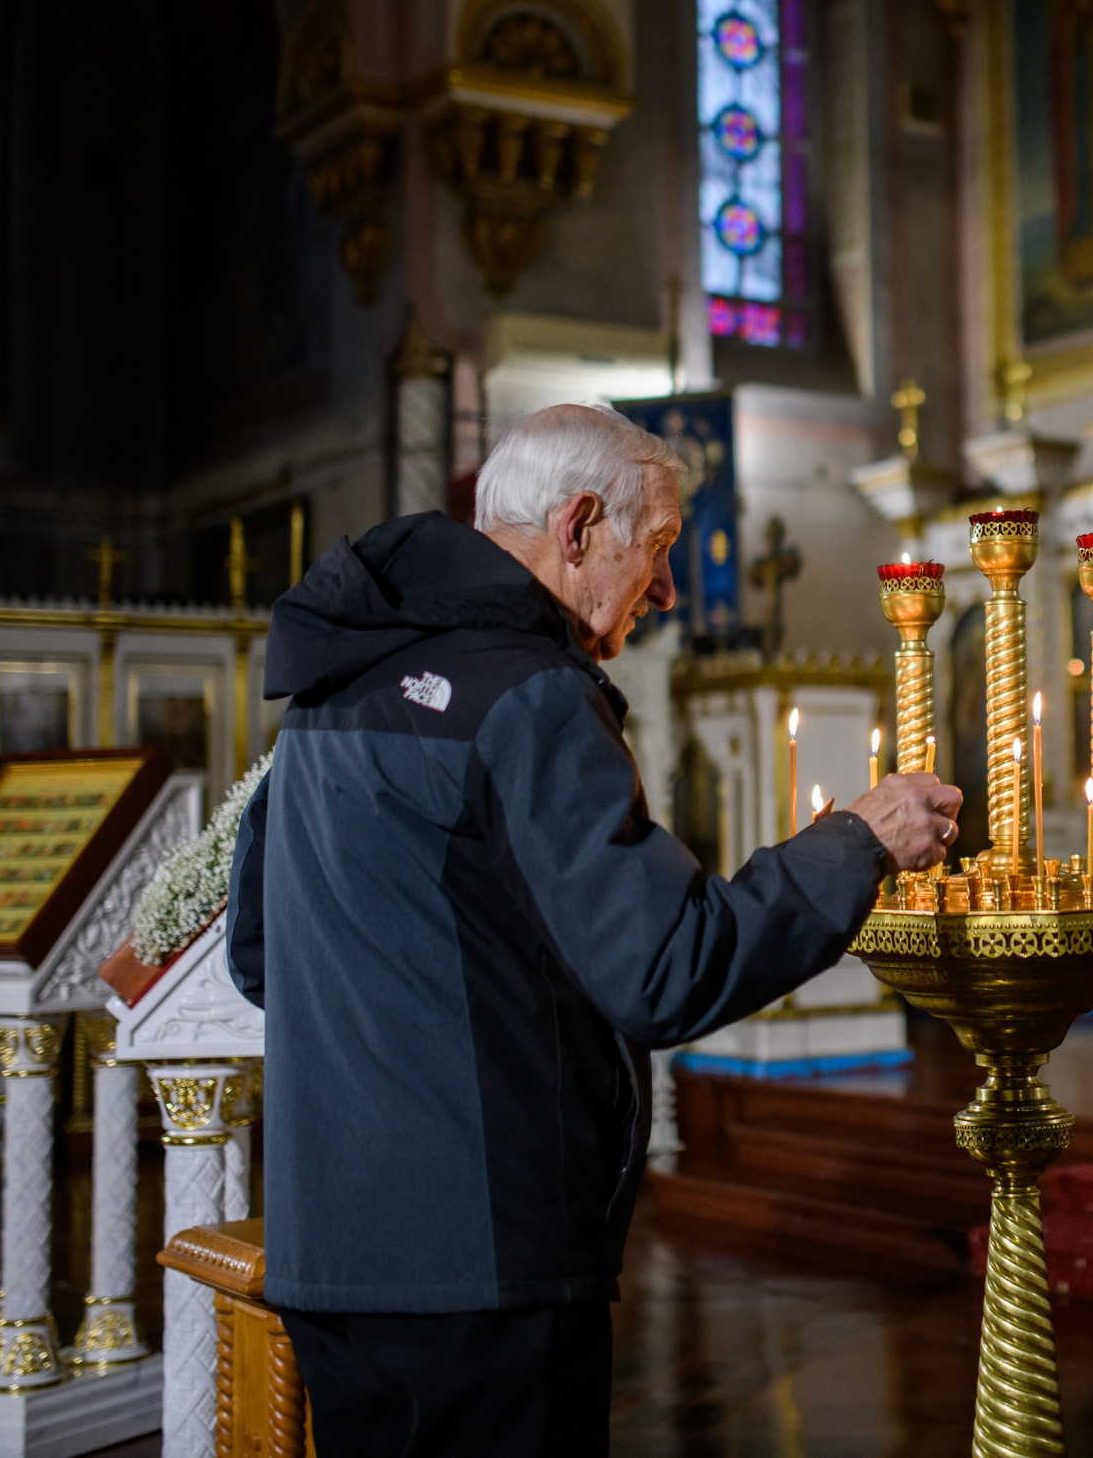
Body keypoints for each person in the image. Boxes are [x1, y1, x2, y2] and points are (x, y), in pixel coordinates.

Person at [227, 403, 960, 1455]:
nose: (666, 590)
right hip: (484, 1264)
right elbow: (669, 965)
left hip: (331, 1255)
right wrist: (859, 842)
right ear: (576, 528)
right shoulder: (529, 694)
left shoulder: (335, 681)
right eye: (656, 546)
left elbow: (260, 951)